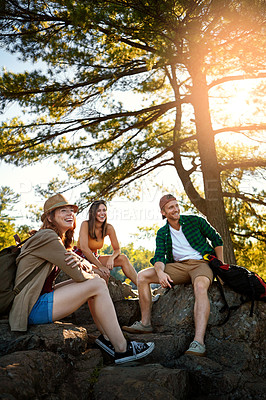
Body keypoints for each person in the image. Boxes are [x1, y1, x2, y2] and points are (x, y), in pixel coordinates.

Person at [9, 193, 154, 364]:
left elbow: (77, 265)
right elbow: (78, 274)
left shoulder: (53, 238)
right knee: (97, 284)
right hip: (31, 307)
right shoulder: (47, 236)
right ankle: (122, 349)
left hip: (38, 298)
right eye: (63, 211)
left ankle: (107, 338)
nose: (70, 214)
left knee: (96, 281)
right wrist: (83, 266)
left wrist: (81, 261)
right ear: (50, 216)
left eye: (71, 211)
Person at [122, 194, 224, 357]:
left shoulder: (195, 221)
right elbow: (160, 257)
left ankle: (198, 342)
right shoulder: (163, 232)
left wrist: (221, 266)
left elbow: (217, 240)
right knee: (142, 276)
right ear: (163, 213)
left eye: (176, 205)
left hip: (201, 264)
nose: (175, 209)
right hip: (178, 267)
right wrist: (160, 273)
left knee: (200, 286)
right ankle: (146, 323)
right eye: (171, 207)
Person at [75, 200, 138, 286]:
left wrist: (111, 258)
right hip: (81, 257)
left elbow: (117, 249)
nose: (102, 213)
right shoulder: (85, 224)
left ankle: (142, 288)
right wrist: (100, 266)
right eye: (99, 210)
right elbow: (84, 249)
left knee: (123, 259)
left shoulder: (108, 228)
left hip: (95, 257)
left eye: (104, 210)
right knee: (104, 274)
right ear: (93, 213)